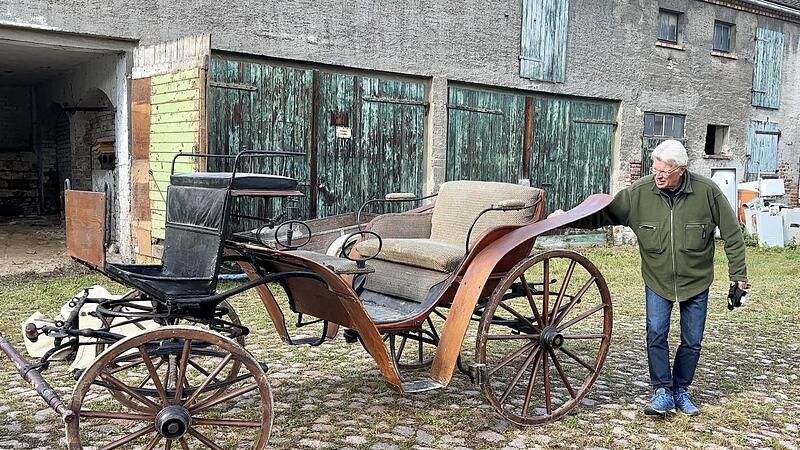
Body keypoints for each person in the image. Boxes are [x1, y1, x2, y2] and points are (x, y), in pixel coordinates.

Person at [553, 139, 748, 416]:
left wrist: (738, 277)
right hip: (657, 279)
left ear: (681, 170)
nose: (657, 175)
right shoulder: (640, 193)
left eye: (664, 171)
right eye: (655, 168)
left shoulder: (708, 192)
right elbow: (603, 214)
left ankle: (680, 389)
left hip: (696, 281)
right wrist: (568, 218)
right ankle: (662, 391)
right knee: (656, 333)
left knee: (692, 340)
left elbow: (732, 234)